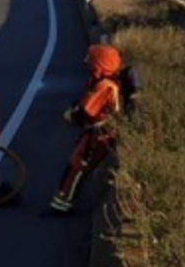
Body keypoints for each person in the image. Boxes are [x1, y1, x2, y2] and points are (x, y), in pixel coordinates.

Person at [51, 44, 128, 213]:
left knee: (78, 166)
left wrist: (72, 115)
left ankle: (63, 204)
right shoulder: (104, 82)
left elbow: (87, 112)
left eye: (90, 60)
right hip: (100, 131)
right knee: (78, 164)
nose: (86, 62)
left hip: (100, 134)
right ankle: (63, 200)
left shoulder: (105, 86)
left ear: (99, 64)